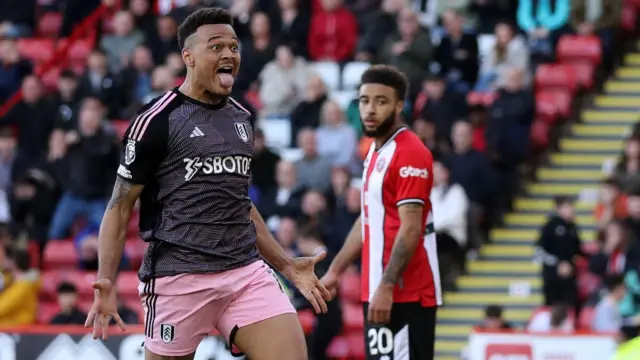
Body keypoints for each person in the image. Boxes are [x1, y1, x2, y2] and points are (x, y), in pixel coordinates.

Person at [84, 8, 331, 360]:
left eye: (233, 47)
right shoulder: (156, 121)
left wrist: (286, 265)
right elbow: (120, 206)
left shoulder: (242, 118)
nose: (229, 54)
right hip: (179, 277)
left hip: (244, 272)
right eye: (216, 47)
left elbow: (240, 203)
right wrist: (106, 282)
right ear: (188, 56)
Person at [320, 65, 441, 360]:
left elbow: (411, 227)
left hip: (405, 292)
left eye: (381, 101)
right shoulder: (375, 151)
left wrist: (387, 287)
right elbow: (370, 217)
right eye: (364, 101)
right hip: (378, 288)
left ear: (399, 105)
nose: (370, 110)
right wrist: (336, 270)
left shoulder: (410, 151)